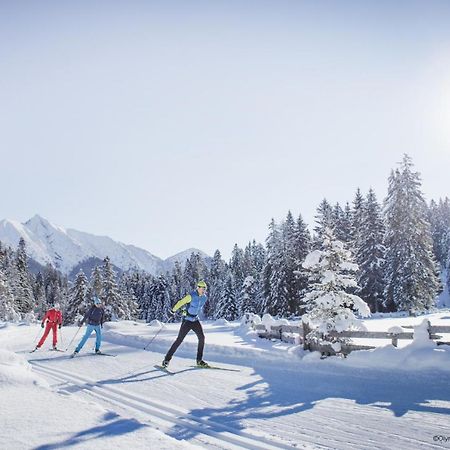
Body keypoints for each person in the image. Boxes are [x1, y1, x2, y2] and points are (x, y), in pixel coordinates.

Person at [161, 280, 209, 368]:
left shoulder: (204, 298)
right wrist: (173, 310)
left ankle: (199, 360)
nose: (203, 290)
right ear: (198, 288)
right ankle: (166, 360)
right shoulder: (191, 296)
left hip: (195, 320)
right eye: (202, 288)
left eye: (205, 289)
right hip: (187, 321)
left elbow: (197, 308)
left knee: (202, 338)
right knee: (179, 340)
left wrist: (186, 310)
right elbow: (181, 302)